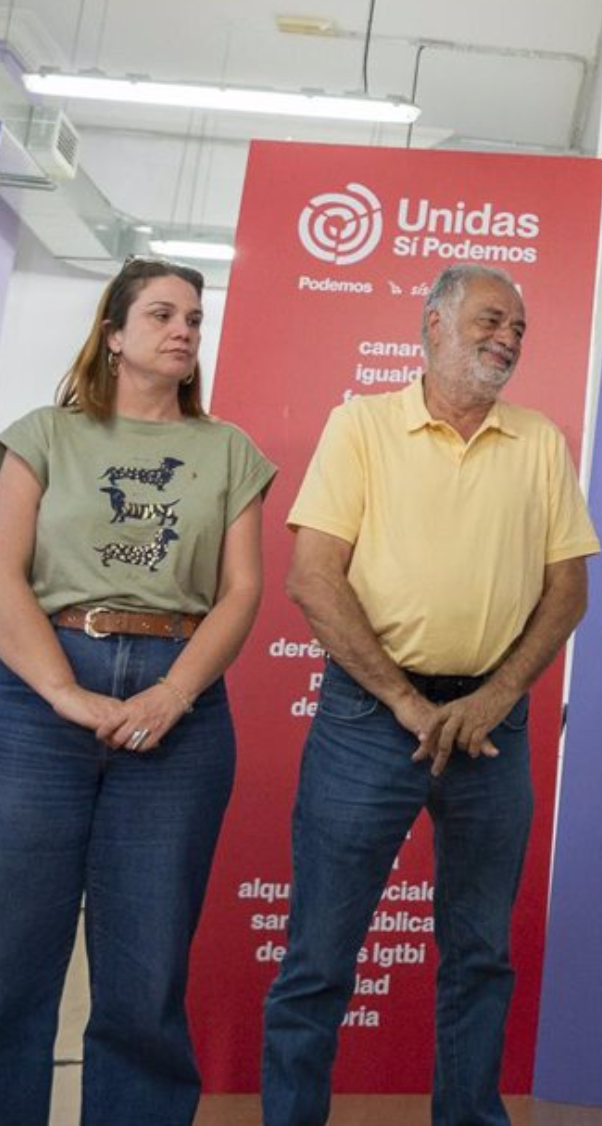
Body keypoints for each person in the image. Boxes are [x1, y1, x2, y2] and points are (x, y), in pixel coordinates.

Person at [260, 263, 599, 1125]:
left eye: (519, 329)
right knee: (320, 957)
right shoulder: (361, 425)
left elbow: (568, 592)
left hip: (494, 724)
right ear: (434, 325)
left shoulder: (540, 442)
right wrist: (406, 703)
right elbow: (312, 579)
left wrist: (495, 696)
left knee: (480, 955)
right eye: (492, 319)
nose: (508, 339)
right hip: (370, 719)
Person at [0, 257, 273, 1124]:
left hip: (176, 707)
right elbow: (2, 573)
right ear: (114, 336)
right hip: (39, 701)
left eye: (194, 317)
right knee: (12, 956)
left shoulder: (228, 451)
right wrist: (62, 692)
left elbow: (241, 594)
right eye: (161, 314)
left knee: (146, 969)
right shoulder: (44, 434)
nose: (184, 330)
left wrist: (174, 695)